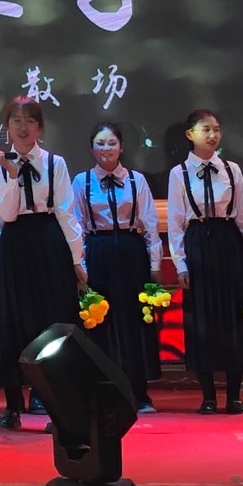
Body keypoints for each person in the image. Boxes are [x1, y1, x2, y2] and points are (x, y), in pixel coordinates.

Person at [0, 96, 87, 430]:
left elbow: (67, 213)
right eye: (16, 121)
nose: (23, 127)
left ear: (40, 128)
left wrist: (77, 259)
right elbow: (2, 215)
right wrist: (12, 175)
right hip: (15, 244)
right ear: (7, 127)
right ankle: (12, 405)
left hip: (49, 242)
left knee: (52, 323)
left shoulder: (56, 163)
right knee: (14, 322)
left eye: (30, 121)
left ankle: (54, 404)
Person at [166, 109, 243, 415]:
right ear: (190, 134)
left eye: (216, 129)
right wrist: (180, 264)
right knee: (201, 319)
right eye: (205, 129)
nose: (213, 135)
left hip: (228, 242)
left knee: (233, 317)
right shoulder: (179, 173)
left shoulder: (232, 170)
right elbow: (176, 223)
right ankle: (207, 396)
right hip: (197, 243)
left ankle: (234, 396)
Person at [74, 122, 162, 413]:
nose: (106, 149)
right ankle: (104, 391)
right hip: (97, 251)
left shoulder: (137, 180)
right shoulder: (82, 181)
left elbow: (150, 223)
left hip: (130, 251)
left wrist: (155, 262)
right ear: (91, 148)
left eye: (111, 143)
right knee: (100, 322)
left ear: (121, 147)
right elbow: (77, 226)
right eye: (100, 143)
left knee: (134, 321)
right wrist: (80, 266)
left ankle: (140, 392)